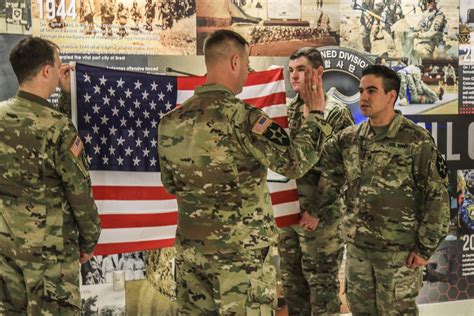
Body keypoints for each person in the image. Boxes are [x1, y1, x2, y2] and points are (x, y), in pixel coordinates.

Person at [158, 29, 332, 314]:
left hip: (192, 254)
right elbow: (295, 162)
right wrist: (315, 115)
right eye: (247, 64)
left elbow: (171, 184)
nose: (247, 73)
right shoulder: (245, 119)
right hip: (241, 260)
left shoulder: (169, 121)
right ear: (235, 61)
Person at [313, 64, 449, 314]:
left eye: (372, 91)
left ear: (391, 96)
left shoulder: (416, 141)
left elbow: (437, 199)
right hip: (358, 253)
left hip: (398, 255)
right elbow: (321, 171)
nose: (363, 97)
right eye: (361, 90)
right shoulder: (349, 139)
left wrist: (424, 249)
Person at [0, 37, 101, 314]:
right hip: (50, 260)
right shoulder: (59, 128)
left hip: (6, 254)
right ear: (47, 71)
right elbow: (80, 193)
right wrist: (88, 242)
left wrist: (66, 97)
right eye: (57, 65)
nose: (60, 71)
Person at [279, 47, 354, 315]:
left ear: (318, 72)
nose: (294, 76)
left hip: (321, 222)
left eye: (301, 69)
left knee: (322, 292)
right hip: (289, 218)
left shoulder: (335, 113)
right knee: (293, 287)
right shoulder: (286, 112)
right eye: (291, 71)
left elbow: (339, 169)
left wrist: (316, 210)